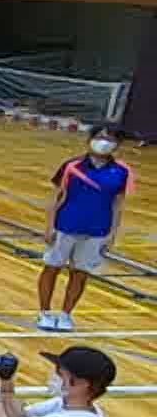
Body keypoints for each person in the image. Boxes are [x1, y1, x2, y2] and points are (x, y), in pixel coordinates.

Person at [38, 126, 132, 331]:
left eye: (110, 139)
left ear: (117, 145)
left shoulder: (122, 172)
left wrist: (112, 234)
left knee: (80, 273)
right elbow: (56, 197)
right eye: (99, 137)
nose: (104, 142)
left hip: (97, 230)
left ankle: (66, 315)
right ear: (89, 140)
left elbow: (117, 204)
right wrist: (50, 225)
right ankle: (44, 312)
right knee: (52, 268)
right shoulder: (72, 166)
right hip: (65, 226)